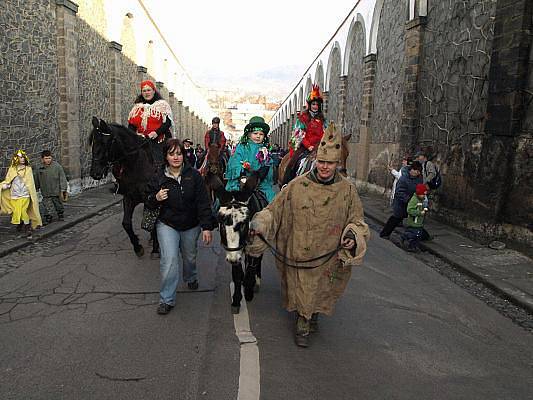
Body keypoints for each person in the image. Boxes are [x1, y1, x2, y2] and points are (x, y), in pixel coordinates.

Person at [246, 124, 370, 347]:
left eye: (330, 163)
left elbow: (357, 220)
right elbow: (274, 210)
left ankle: (313, 314)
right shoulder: (296, 185)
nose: (324, 167)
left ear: (336, 164)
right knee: (304, 286)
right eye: (321, 162)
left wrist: (353, 235)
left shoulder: (348, 191)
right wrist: (259, 224)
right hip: (300, 250)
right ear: (315, 161)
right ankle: (303, 322)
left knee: (321, 287)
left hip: (328, 252)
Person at [145, 139, 215, 315]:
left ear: (183, 155)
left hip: (191, 224)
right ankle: (166, 299)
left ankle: (190, 276)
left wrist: (206, 227)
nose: (175, 157)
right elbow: (147, 201)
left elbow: (203, 202)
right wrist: (156, 198)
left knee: (190, 256)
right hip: (167, 224)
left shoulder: (194, 175)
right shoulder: (158, 177)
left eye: (179, 153)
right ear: (166, 157)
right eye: (171, 154)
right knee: (169, 261)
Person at [225, 116, 276, 296]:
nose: (258, 136)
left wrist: (259, 174)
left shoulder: (265, 150)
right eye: (255, 133)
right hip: (241, 181)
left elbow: (267, 166)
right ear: (249, 134)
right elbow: (234, 162)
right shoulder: (242, 147)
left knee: (271, 207)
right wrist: (242, 172)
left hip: (259, 184)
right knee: (226, 204)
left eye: (261, 134)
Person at [282, 84, 327, 185]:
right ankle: (286, 185)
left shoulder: (323, 120)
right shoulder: (302, 118)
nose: (315, 107)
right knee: (292, 163)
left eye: (317, 105)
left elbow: (326, 133)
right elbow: (298, 134)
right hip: (305, 147)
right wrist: (308, 146)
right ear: (309, 105)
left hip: (320, 147)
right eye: (313, 104)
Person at [128, 80, 173, 166]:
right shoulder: (136, 108)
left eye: (149, 90)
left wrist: (156, 133)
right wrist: (135, 136)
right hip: (140, 141)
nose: (146, 93)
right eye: (144, 91)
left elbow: (167, 123)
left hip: (159, 140)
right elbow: (131, 125)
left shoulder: (162, 105)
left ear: (154, 91)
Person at [0, 150, 42, 238]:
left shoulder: (28, 169)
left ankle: (28, 228)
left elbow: (30, 183)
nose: (22, 159)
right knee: (17, 211)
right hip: (15, 195)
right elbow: (8, 180)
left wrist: (30, 192)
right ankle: (21, 222)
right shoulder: (12, 169)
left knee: (23, 211)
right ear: (16, 159)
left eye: (23, 157)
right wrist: (5, 185)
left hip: (25, 194)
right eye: (20, 158)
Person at [380, 161, 423, 238]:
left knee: (416, 221)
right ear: (411, 170)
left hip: (413, 203)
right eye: (416, 170)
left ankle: (423, 236)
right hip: (401, 204)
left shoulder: (419, 179)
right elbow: (399, 192)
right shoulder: (404, 178)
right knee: (395, 218)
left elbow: (420, 189)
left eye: (418, 171)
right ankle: (384, 234)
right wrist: (408, 199)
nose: (417, 173)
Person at [34, 150, 68, 225]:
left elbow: (62, 178)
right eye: (46, 158)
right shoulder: (39, 168)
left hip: (55, 190)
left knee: (57, 203)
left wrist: (63, 189)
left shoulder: (57, 167)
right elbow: (36, 179)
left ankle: (60, 213)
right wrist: (36, 188)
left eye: (49, 158)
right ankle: (48, 217)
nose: (48, 160)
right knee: (46, 204)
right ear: (42, 159)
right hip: (45, 190)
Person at [400, 184, 429, 252]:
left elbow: (422, 207)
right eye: (423, 194)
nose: (424, 196)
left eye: (425, 194)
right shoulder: (414, 200)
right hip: (414, 221)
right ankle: (407, 239)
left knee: (418, 235)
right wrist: (419, 213)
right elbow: (409, 210)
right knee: (414, 235)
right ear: (419, 193)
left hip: (419, 222)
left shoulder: (422, 199)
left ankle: (414, 246)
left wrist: (425, 209)